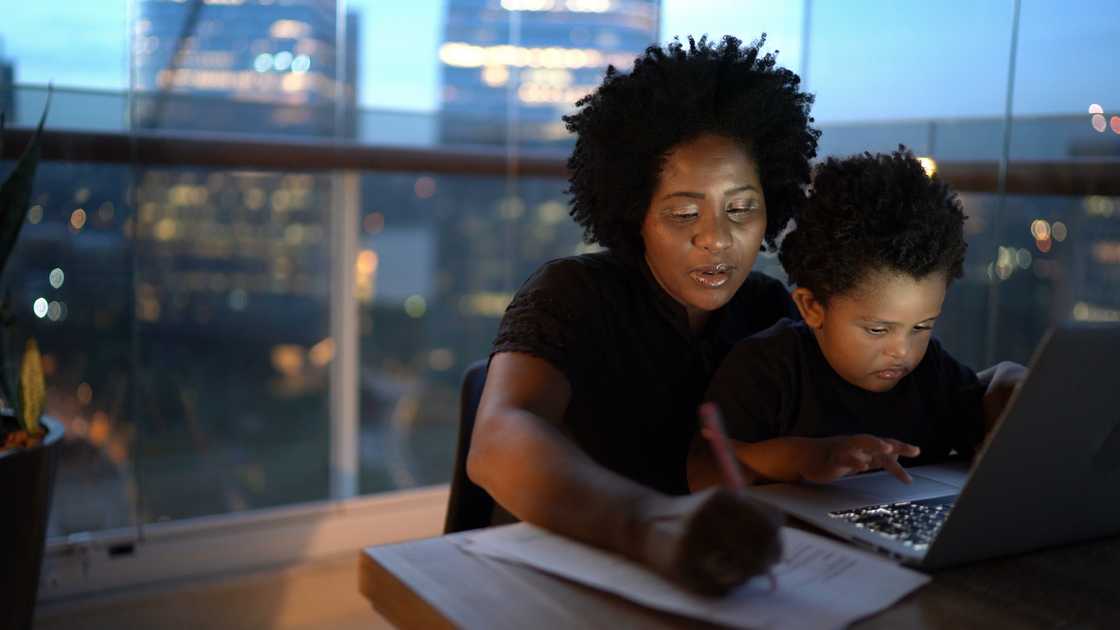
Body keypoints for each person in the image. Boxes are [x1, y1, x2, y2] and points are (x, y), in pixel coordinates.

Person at [467, 35, 820, 594]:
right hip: (555, 581)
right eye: (684, 213)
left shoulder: (768, 308)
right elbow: (499, 439)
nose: (717, 239)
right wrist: (651, 523)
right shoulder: (573, 293)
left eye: (741, 208)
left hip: (719, 575)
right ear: (636, 214)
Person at [695, 149, 1026, 489]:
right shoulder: (767, 370)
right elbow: (703, 471)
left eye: (922, 327)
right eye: (878, 329)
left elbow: (989, 395)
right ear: (812, 308)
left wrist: (1010, 382)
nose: (902, 350)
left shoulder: (931, 373)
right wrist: (809, 458)